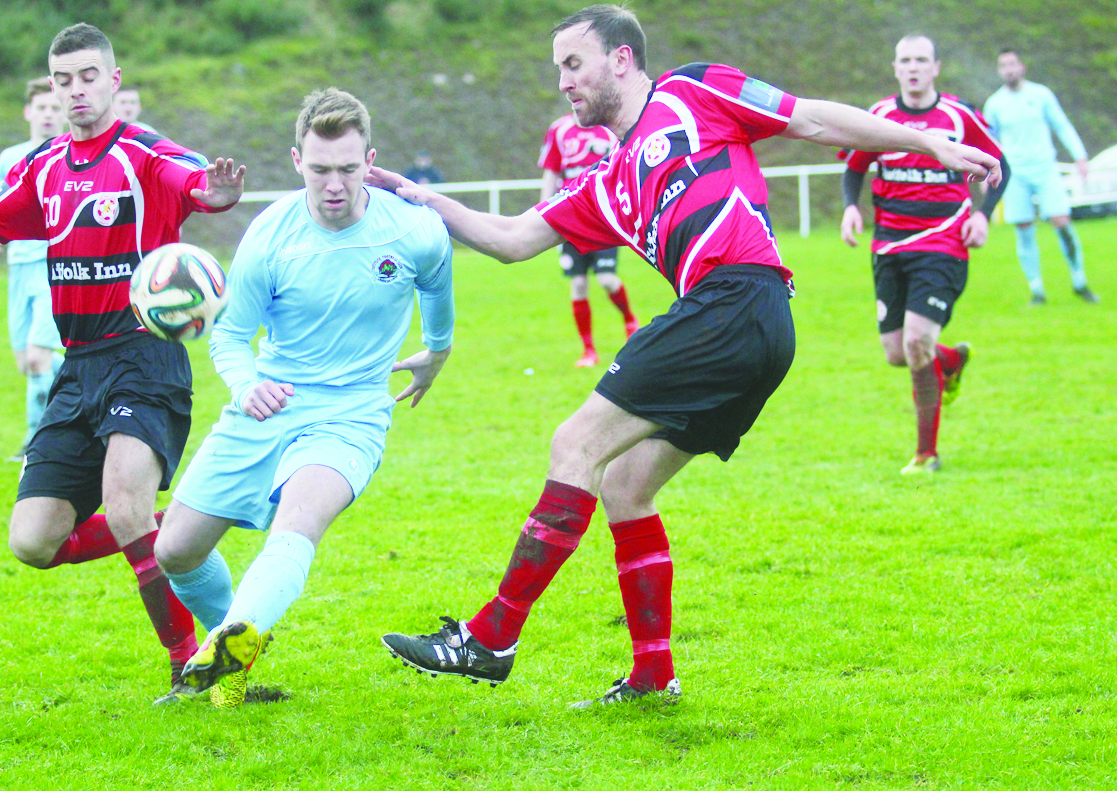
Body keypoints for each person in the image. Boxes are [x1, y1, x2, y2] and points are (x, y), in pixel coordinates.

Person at [372, 4, 1000, 707]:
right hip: (753, 328)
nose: (563, 83)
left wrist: (926, 144)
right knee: (625, 484)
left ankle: (490, 639)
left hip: (736, 299)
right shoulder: (607, 183)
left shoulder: (693, 90)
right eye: (557, 71)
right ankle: (652, 674)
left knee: (575, 442)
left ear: (620, 59)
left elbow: (812, 119)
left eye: (572, 64)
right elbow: (513, 237)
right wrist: (423, 199)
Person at [0, 23, 245, 692]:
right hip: (76, 368)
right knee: (32, 540)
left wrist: (214, 194)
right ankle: (183, 527)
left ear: (113, 81)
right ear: (52, 88)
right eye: (63, 80)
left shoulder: (142, 153)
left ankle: (190, 666)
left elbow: (192, 180)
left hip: (144, 356)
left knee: (124, 508)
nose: (76, 91)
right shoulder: (43, 165)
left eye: (89, 77)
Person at [152, 88, 455, 708]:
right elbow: (232, 335)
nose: (335, 183)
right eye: (320, 169)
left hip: (353, 413)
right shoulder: (270, 235)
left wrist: (437, 353)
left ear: (371, 160)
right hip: (270, 402)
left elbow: (439, 296)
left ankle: (234, 644)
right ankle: (230, 657)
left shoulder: (415, 230)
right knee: (174, 550)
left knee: (298, 519)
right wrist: (246, 385)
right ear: (297, 161)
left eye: (348, 168)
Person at [840, 35, 1008, 475]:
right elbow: (855, 166)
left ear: (936, 67)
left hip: (943, 240)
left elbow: (999, 164)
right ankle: (950, 360)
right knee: (897, 352)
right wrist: (851, 207)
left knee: (916, 341)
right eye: (905, 61)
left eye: (921, 60)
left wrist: (984, 215)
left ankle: (926, 455)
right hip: (889, 244)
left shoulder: (957, 115)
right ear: (895, 68)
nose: (913, 68)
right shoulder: (878, 117)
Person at [0, 78, 67, 460]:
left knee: (37, 357)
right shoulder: (10, 158)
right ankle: (84, 376)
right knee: (28, 362)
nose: (48, 115)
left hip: (53, 267)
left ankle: (38, 443)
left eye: (54, 108)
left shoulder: (69, 155)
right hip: (19, 269)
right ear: (28, 112)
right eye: (42, 108)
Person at [984, 49, 1098, 304]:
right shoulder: (995, 104)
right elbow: (989, 140)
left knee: (1061, 220)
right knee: (1023, 228)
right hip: (1015, 172)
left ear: (1022, 66)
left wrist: (1079, 156)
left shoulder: (1040, 94)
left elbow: (1061, 124)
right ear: (999, 70)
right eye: (1003, 65)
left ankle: (1079, 281)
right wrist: (985, 174)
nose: (1009, 69)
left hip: (1045, 168)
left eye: (1012, 64)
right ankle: (1037, 290)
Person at [539, 114, 638, 366]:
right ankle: (589, 351)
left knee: (606, 279)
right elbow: (551, 171)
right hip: (569, 217)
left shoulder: (609, 129)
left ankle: (630, 322)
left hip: (603, 218)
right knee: (579, 285)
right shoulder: (559, 130)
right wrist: (542, 209)